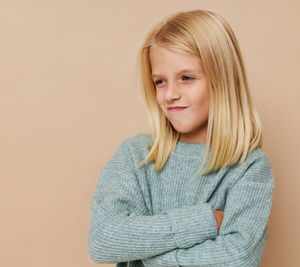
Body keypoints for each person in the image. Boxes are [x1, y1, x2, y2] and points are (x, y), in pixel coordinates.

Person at [88, 9, 274, 267]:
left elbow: (237, 259)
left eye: (186, 78)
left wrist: (144, 251)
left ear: (222, 80)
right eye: (160, 81)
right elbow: (103, 240)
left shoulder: (249, 167)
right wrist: (207, 220)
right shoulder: (136, 155)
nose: (170, 94)